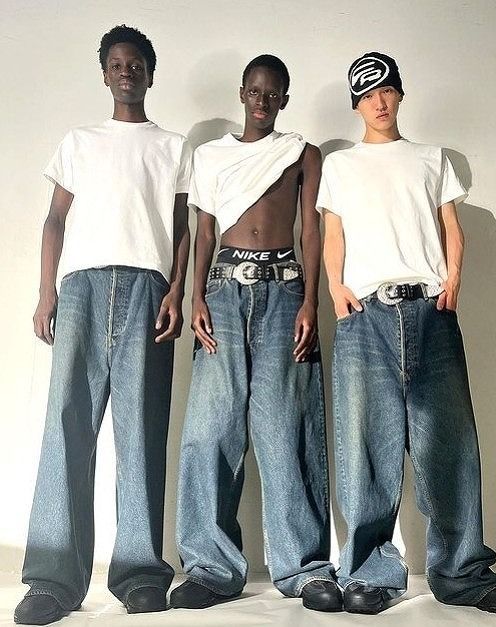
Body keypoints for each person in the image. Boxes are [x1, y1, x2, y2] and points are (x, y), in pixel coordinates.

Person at [317, 51, 496, 615]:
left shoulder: (432, 158)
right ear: (356, 104)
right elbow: (333, 233)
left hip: (430, 310)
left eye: (386, 90)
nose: (379, 102)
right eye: (368, 95)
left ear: (399, 94)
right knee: (366, 449)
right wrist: (335, 287)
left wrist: (454, 277)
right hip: (365, 317)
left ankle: (463, 573)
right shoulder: (340, 165)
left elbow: (450, 226)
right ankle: (368, 573)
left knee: (450, 446)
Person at [14, 25, 192, 625]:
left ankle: (139, 573)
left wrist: (176, 290)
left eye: (136, 63)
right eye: (116, 64)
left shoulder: (172, 146)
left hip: (147, 288)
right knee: (67, 426)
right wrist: (47, 292)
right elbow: (54, 220)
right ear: (104, 74)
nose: (126, 71)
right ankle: (51, 580)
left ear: (150, 73)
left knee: (140, 431)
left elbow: (183, 229)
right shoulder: (79, 141)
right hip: (82, 288)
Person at [171, 54, 341, 613]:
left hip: (284, 290)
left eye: (273, 94)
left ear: (284, 100)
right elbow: (205, 231)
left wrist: (310, 300)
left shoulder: (301, 152)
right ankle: (210, 567)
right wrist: (196, 296)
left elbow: (310, 229)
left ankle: (304, 568)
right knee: (209, 430)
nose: (263, 101)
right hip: (222, 291)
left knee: (287, 428)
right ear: (241, 93)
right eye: (255, 91)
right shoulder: (211, 155)